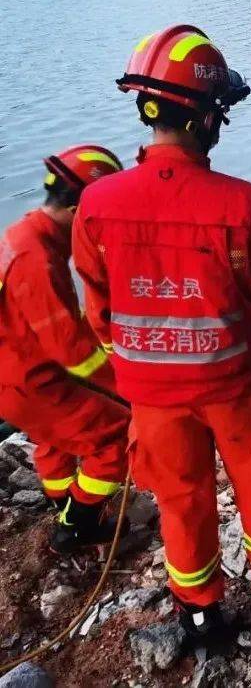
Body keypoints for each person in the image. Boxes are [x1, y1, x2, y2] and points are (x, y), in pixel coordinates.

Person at [72, 24, 251, 645]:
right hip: (237, 389)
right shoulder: (245, 205)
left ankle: (199, 613)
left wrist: (132, 371)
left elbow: (100, 314)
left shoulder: (96, 204)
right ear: (205, 119)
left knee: (181, 502)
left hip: (153, 393)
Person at [0, 145, 130, 554]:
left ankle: (63, 501)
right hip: (30, 383)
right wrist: (127, 386)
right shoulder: (37, 259)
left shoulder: (24, 234)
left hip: (19, 375)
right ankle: (76, 526)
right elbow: (74, 353)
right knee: (118, 432)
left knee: (56, 438)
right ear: (78, 211)